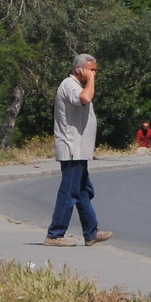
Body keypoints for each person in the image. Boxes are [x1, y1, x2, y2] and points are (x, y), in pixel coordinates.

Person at [45, 54, 111, 248]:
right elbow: (85, 98)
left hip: (80, 150)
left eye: (95, 70)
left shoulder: (76, 84)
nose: (94, 73)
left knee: (82, 191)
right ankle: (55, 234)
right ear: (79, 70)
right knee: (69, 192)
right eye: (91, 70)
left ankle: (91, 233)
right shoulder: (70, 85)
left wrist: (89, 78)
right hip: (72, 148)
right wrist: (90, 80)